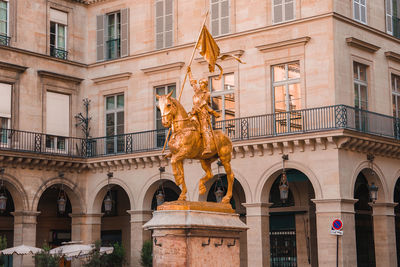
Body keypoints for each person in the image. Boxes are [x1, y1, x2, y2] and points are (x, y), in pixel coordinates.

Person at [187, 66, 220, 156]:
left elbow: (204, 103)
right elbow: (193, 83)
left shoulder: (207, 93)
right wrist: (189, 73)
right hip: (195, 113)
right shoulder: (198, 92)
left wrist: (213, 112)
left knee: (204, 130)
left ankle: (208, 147)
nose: (200, 85)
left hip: (203, 114)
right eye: (200, 83)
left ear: (204, 84)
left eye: (202, 83)